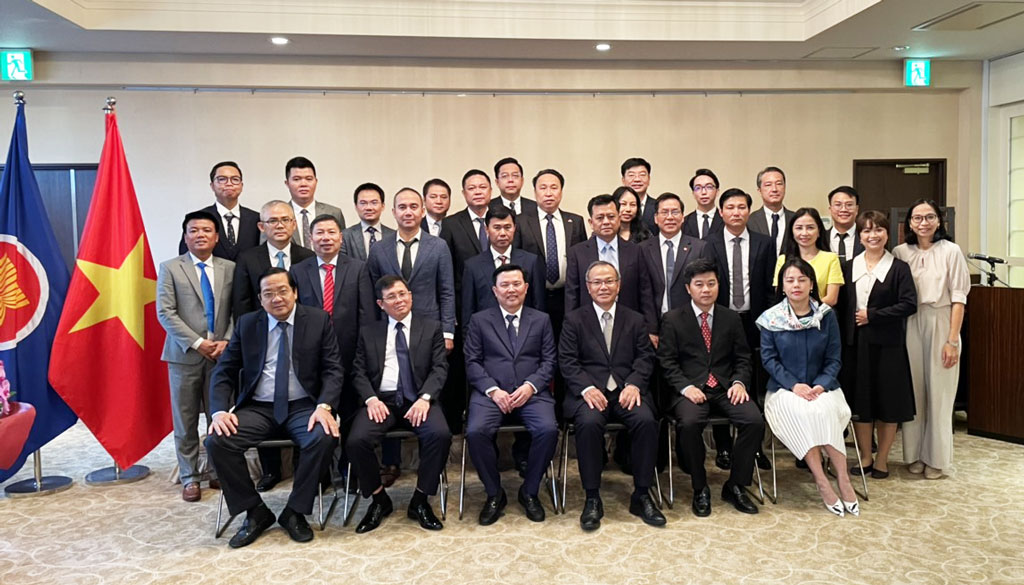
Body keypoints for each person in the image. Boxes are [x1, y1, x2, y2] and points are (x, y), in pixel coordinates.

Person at [205, 268, 344, 547]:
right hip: (259, 407)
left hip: (304, 405)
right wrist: (220, 410)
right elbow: (224, 372)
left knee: (323, 436)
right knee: (217, 441)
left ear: (294, 292)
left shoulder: (317, 320)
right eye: (268, 293)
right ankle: (254, 511)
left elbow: (333, 369)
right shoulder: (247, 324)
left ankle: (295, 511)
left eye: (282, 291)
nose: (276, 298)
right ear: (260, 298)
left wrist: (324, 406)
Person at [559, 261, 663, 530]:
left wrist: (635, 384)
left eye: (608, 281)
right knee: (589, 423)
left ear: (619, 284)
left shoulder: (635, 319)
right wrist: (586, 388)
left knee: (646, 421)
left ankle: (641, 494)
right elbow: (567, 361)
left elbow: (645, 357)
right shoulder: (574, 319)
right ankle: (592, 497)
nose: (603, 286)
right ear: (588, 287)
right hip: (590, 392)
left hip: (627, 390)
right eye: (597, 282)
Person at [659, 258, 763, 517]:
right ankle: (700, 486)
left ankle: (736, 485)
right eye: (699, 284)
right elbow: (667, 361)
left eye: (711, 284)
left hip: (726, 387)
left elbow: (743, 357)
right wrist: (684, 388)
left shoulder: (730, 318)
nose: (706, 290)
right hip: (690, 389)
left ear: (718, 285)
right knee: (690, 423)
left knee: (754, 420)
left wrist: (739, 382)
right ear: (688, 288)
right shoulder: (672, 319)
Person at [346, 276, 452, 533]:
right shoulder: (369, 332)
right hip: (381, 401)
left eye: (402, 293)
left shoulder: (431, 328)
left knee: (440, 434)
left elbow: (440, 368)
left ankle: (420, 499)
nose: (399, 300)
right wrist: (371, 399)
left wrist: (425, 398)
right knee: (356, 441)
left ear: (411, 296)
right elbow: (358, 372)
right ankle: (379, 499)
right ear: (381, 304)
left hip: (418, 399)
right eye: (391, 297)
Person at [757, 258, 859, 517]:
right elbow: (769, 360)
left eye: (802, 279)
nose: (796, 285)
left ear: (812, 284)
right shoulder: (771, 319)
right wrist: (794, 386)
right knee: (804, 413)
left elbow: (834, 358)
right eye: (790, 280)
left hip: (824, 387)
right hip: (784, 390)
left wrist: (821, 385)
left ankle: (843, 478)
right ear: (782, 286)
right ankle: (821, 481)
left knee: (823, 410)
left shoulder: (826, 316)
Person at [464, 264, 559, 525]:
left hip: (532, 393)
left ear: (526, 288)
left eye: (517, 284)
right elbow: (472, 362)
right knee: (475, 431)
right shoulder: (479, 320)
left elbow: (549, 361)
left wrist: (530, 386)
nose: (511, 290)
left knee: (548, 430)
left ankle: (529, 491)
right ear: (495, 291)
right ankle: (494, 493)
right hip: (491, 394)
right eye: (505, 285)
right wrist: (493, 390)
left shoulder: (541, 319)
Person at [232, 200, 315, 490]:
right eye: (272, 221)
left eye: (285, 220)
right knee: (265, 394)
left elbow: (312, 299)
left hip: (303, 339)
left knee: (302, 399)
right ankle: (270, 470)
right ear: (261, 226)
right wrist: (250, 339)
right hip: (261, 338)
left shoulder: (307, 255)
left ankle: (310, 472)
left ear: (294, 224)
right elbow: (241, 301)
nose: (279, 226)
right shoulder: (248, 257)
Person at [290, 214, 375, 482]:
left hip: (350, 353)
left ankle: (348, 470)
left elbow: (367, 314)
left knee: (350, 413)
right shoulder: (298, 271)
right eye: (320, 233)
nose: (326, 238)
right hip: (311, 356)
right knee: (314, 413)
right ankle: (319, 473)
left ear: (341, 237)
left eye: (331, 233)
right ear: (311, 238)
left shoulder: (359, 268)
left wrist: (365, 352)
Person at [157, 210, 234, 502]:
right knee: (186, 419)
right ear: (185, 236)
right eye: (193, 230)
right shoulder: (170, 268)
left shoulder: (230, 267)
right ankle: (190, 476)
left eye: (206, 230)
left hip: (221, 355)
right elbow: (166, 313)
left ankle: (217, 471)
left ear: (216, 237)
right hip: (183, 355)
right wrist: (198, 342)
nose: (200, 235)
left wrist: (225, 339)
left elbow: (236, 309)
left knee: (219, 416)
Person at [893, 199, 969, 480]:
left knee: (939, 392)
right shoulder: (901, 252)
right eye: (917, 218)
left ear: (939, 221)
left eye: (929, 217)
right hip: (911, 322)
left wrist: (952, 340)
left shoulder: (951, 251)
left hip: (942, 320)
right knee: (915, 392)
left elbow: (959, 298)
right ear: (909, 223)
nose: (923, 223)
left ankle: (936, 459)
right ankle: (914, 455)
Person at [840, 211, 917, 479]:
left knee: (888, 403)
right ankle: (865, 455)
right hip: (856, 345)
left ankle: (882, 459)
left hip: (888, 346)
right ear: (859, 236)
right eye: (866, 231)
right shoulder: (849, 267)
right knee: (861, 404)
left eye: (878, 230)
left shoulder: (898, 268)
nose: (873, 236)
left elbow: (909, 305)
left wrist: (873, 316)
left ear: (887, 234)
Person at [705, 187, 776, 471]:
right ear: (721, 212)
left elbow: (771, 287)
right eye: (730, 207)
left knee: (753, 380)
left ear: (749, 210)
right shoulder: (708, 243)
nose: (736, 212)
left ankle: (753, 446)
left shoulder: (764, 242)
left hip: (754, 320)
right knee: (721, 376)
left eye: (742, 207)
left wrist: (767, 322)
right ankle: (723, 446)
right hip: (720, 320)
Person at [367, 188, 456, 350]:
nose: (408, 212)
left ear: (422, 211)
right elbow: (373, 294)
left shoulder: (438, 246)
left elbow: (447, 291)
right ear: (393, 212)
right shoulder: (378, 249)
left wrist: (448, 332)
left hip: (430, 326)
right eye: (402, 207)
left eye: (413, 207)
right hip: (390, 326)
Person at [516, 168, 587, 341]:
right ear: (534, 192)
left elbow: (583, 260)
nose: (549, 193)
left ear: (561, 191)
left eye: (554, 187)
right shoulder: (520, 221)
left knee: (567, 342)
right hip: (534, 295)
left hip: (567, 297)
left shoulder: (575, 221)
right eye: (543, 188)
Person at [638, 192, 709, 344]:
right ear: (656, 218)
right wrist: (651, 328)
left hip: (691, 324)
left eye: (675, 212)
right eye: (664, 212)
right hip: (656, 324)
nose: (670, 217)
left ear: (683, 217)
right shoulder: (643, 249)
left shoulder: (699, 247)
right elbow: (643, 291)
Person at [461, 206, 545, 327]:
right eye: (497, 228)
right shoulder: (473, 265)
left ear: (514, 228)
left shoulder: (531, 261)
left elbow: (539, 306)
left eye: (507, 227)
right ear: (486, 229)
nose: (503, 233)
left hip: (524, 332)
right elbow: (468, 312)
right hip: (486, 334)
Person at [565, 194, 647, 313]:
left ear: (619, 219)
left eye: (611, 216)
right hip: (588, 321)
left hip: (628, 321)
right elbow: (571, 294)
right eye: (600, 218)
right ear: (591, 223)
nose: (606, 222)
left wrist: (650, 327)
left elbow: (645, 291)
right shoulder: (577, 253)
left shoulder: (635, 251)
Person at [178, 161, 260, 261]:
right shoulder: (196, 219)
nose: (229, 183)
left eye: (235, 179)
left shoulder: (257, 219)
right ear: (212, 185)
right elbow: (185, 256)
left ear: (241, 186)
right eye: (222, 179)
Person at [772, 207, 844, 307]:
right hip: (788, 318)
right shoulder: (783, 260)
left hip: (821, 316)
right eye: (799, 228)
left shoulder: (831, 258)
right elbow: (780, 293)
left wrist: (807, 311)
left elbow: (831, 299)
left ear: (819, 231)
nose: (804, 233)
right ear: (792, 232)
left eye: (810, 227)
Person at [440, 169, 494, 295]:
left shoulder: (502, 220)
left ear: (491, 191)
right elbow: (446, 268)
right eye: (471, 188)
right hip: (465, 295)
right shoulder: (450, 224)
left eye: (483, 187)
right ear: (464, 193)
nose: (478, 192)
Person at [283, 156, 345, 248]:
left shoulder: (334, 213)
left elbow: (342, 246)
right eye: (297, 179)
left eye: (309, 179)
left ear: (316, 181)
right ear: (287, 183)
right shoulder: (277, 215)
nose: (303, 184)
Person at [340, 182, 395, 261]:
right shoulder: (345, 236)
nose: (369, 207)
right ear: (356, 206)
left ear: (383, 206)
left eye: (374, 203)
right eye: (363, 203)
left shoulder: (393, 235)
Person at [747, 166, 795, 255]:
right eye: (768, 185)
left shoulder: (796, 219)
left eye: (779, 184)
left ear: (785, 187)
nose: (774, 189)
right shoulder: (750, 220)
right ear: (759, 191)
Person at [682, 169, 725, 240]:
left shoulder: (726, 220)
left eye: (709, 187)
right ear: (693, 193)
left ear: (717, 191)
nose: (704, 192)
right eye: (698, 188)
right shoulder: (684, 222)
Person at [826, 186, 864, 263]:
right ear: (830, 209)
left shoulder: (866, 237)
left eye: (849, 205)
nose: (843, 209)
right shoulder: (821, 238)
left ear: (857, 209)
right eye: (838, 205)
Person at [620, 157, 657, 234]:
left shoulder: (658, 207)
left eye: (642, 175)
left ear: (649, 179)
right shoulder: (614, 207)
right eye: (631, 175)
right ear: (623, 180)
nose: (637, 179)